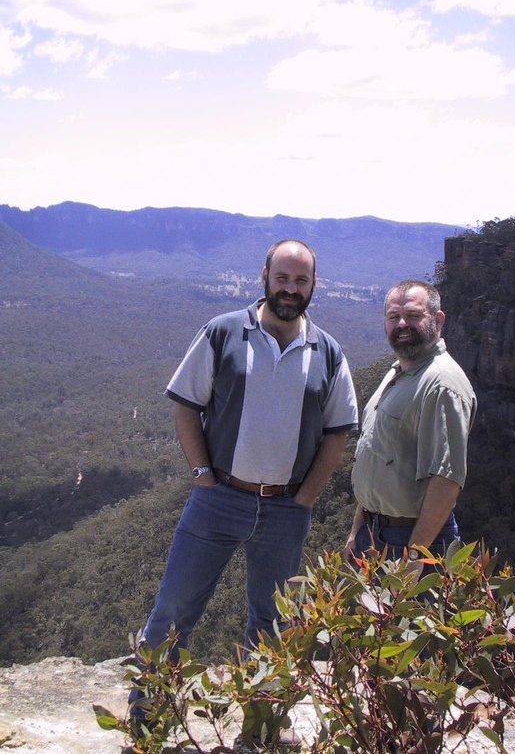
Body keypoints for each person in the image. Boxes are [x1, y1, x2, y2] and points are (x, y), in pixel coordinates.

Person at [132, 239, 359, 750]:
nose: (290, 289)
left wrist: (305, 501)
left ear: (313, 287)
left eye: (301, 281)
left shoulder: (329, 352)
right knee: (174, 611)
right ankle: (146, 727)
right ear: (264, 277)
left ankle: (259, 733)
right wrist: (202, 476)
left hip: (285, 509)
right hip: (219, 498)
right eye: (283, 278)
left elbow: (337, 434)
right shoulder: (223, 332)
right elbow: (186, 407)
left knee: (270, 623)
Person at [344, 279, 476, 582]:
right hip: (374, 535)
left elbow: (446, 479)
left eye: (414, 316)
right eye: (394, 317)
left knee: (406, 628)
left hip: (410, 542)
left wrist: (415, 556)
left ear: (438, 319)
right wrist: (357, 531)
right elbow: (376, 460)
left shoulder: (442, 384)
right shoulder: (398, 371)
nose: (402, 324)